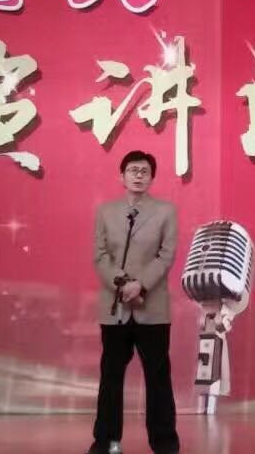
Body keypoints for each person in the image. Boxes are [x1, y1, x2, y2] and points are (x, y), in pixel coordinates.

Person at [87, 150, 181, 454]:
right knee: (111, 376)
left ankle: (164, 443)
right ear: (122, 176)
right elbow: (100, 255)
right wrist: (123, 284)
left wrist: (141, 285)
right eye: (132, 170)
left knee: (158, 377)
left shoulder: (165, 211)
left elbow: (166, 254)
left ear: (152, 178)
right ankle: (106, 441)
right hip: (115, 306)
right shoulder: (105, 212)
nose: (138, 175)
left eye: (144, 171)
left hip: (152, 307)